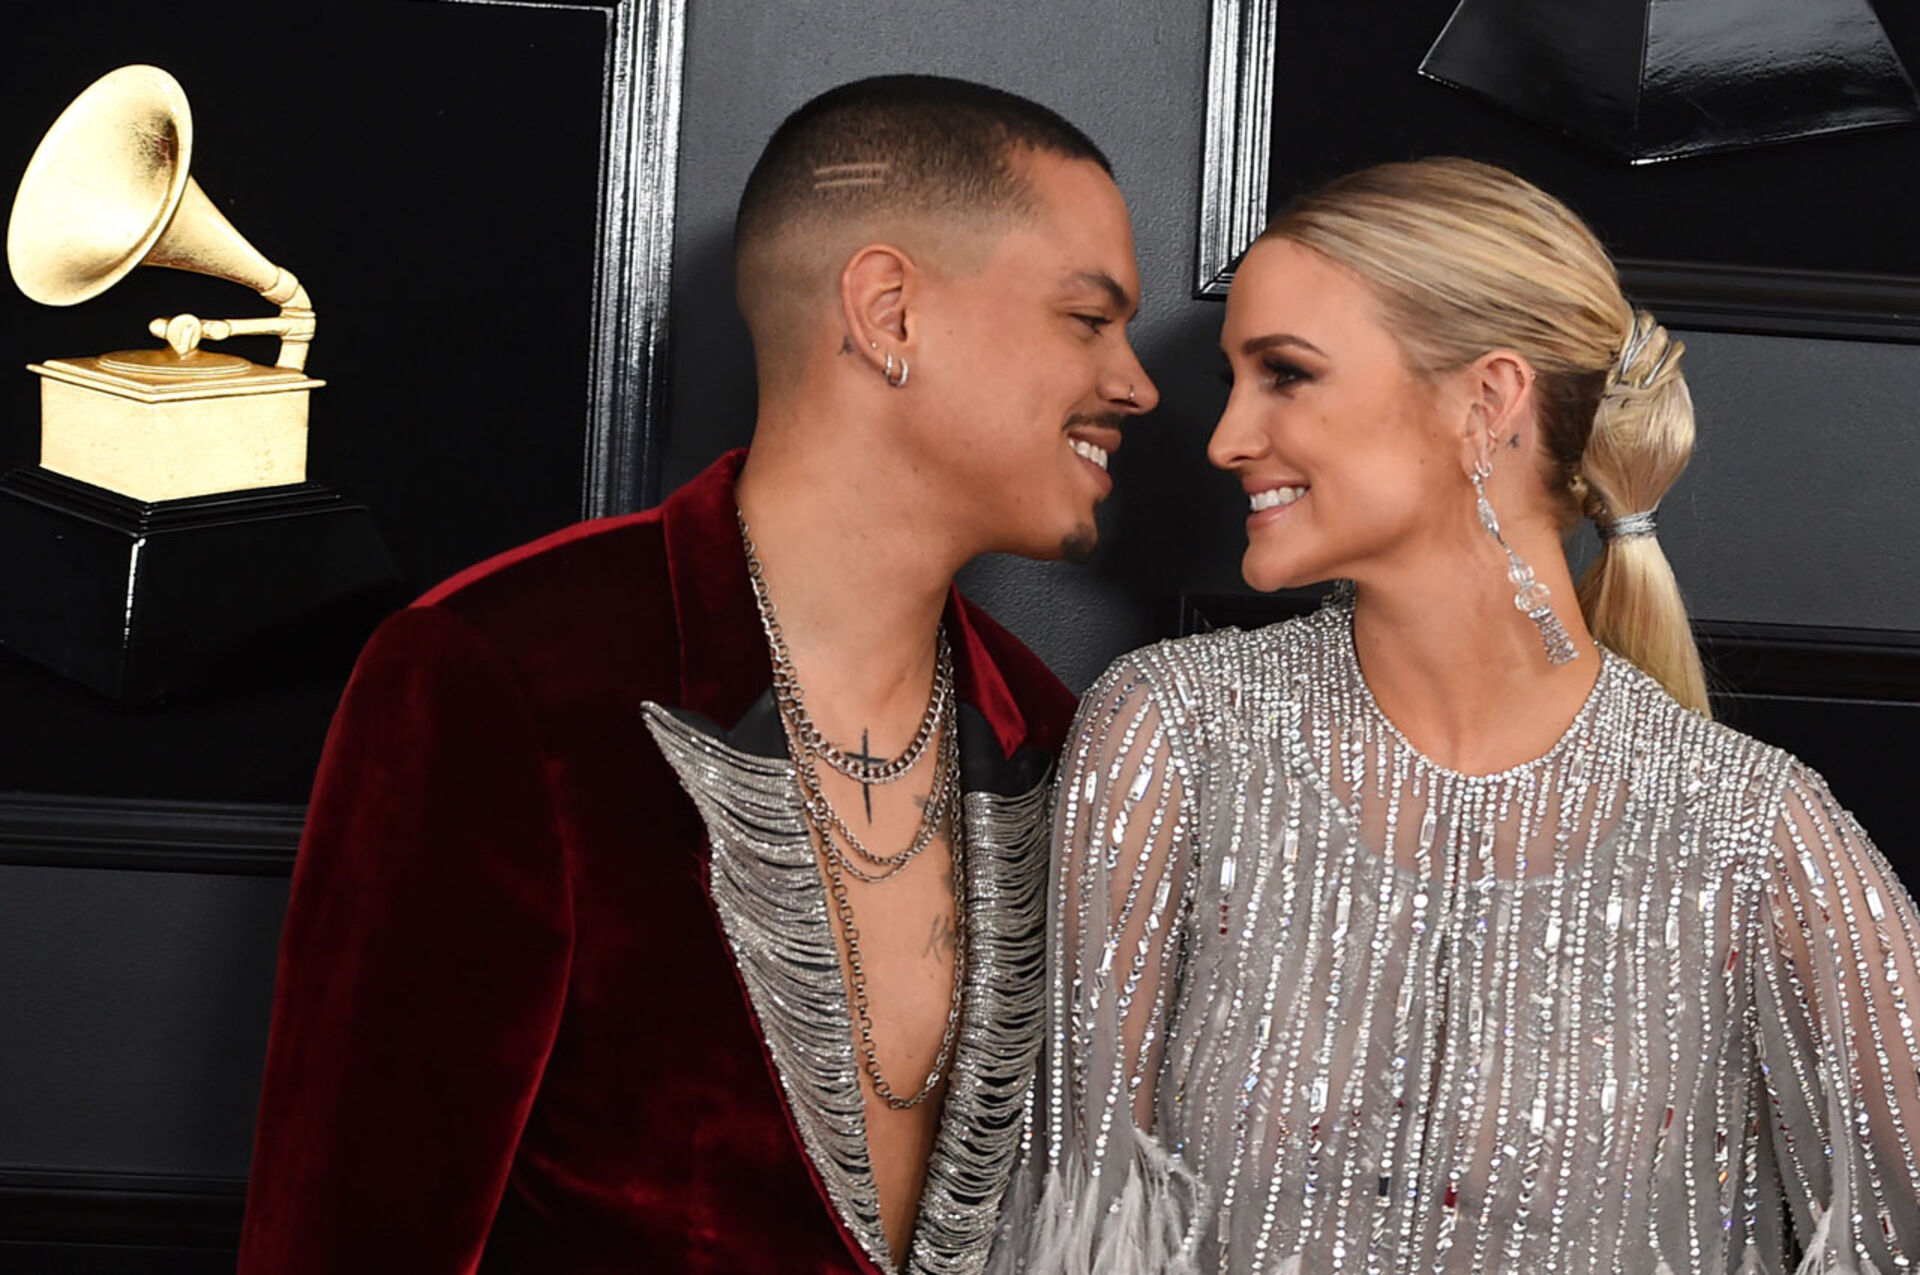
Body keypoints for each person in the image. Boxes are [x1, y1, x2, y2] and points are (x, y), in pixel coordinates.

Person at [238, 75, 1157, 1275]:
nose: (1137, 383)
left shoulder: (1059, 738)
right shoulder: (502, 675)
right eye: (1087, 319)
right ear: (889, 312)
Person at [991, 157, 1920, 1274]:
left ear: (1486, 403)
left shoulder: (1752, 832)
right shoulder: (1173, 735)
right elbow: (1077, 1221)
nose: (1226, 437)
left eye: (1285, 374)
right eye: (1237, 377)